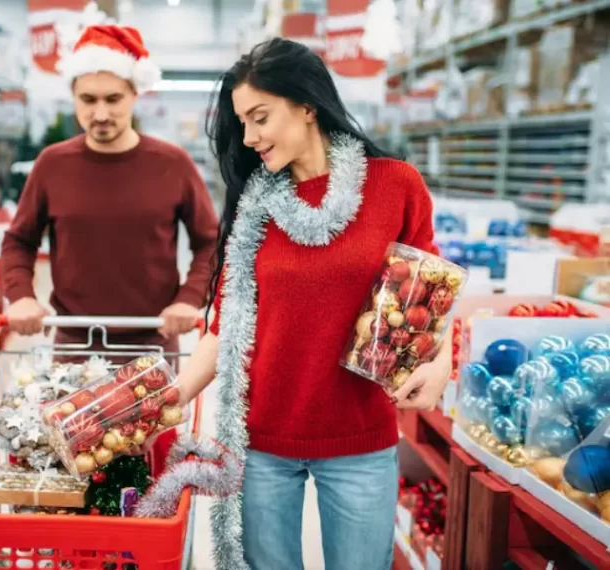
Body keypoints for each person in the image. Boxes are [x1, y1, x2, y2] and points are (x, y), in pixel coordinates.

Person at [176, 38, 452, 570]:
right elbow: (226, 325)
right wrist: (174, 393)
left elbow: (431, 293)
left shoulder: (395, 186)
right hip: (261, 442)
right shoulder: (255, 207)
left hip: (360, 438)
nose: (250, 137)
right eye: (243, 123)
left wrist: (440, 362)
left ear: (306, 105)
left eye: (261, 117)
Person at [0, 25, 219, 354]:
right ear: (74, 96)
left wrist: (190, 298)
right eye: (88, 100)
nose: (100, 114)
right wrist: (21, 296)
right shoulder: (52, 164)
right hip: (73, 344)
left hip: (154, 345)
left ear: (134, 94)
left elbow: (210, 243)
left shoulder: (173, 164)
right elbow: (19, 240)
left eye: (113, 99)